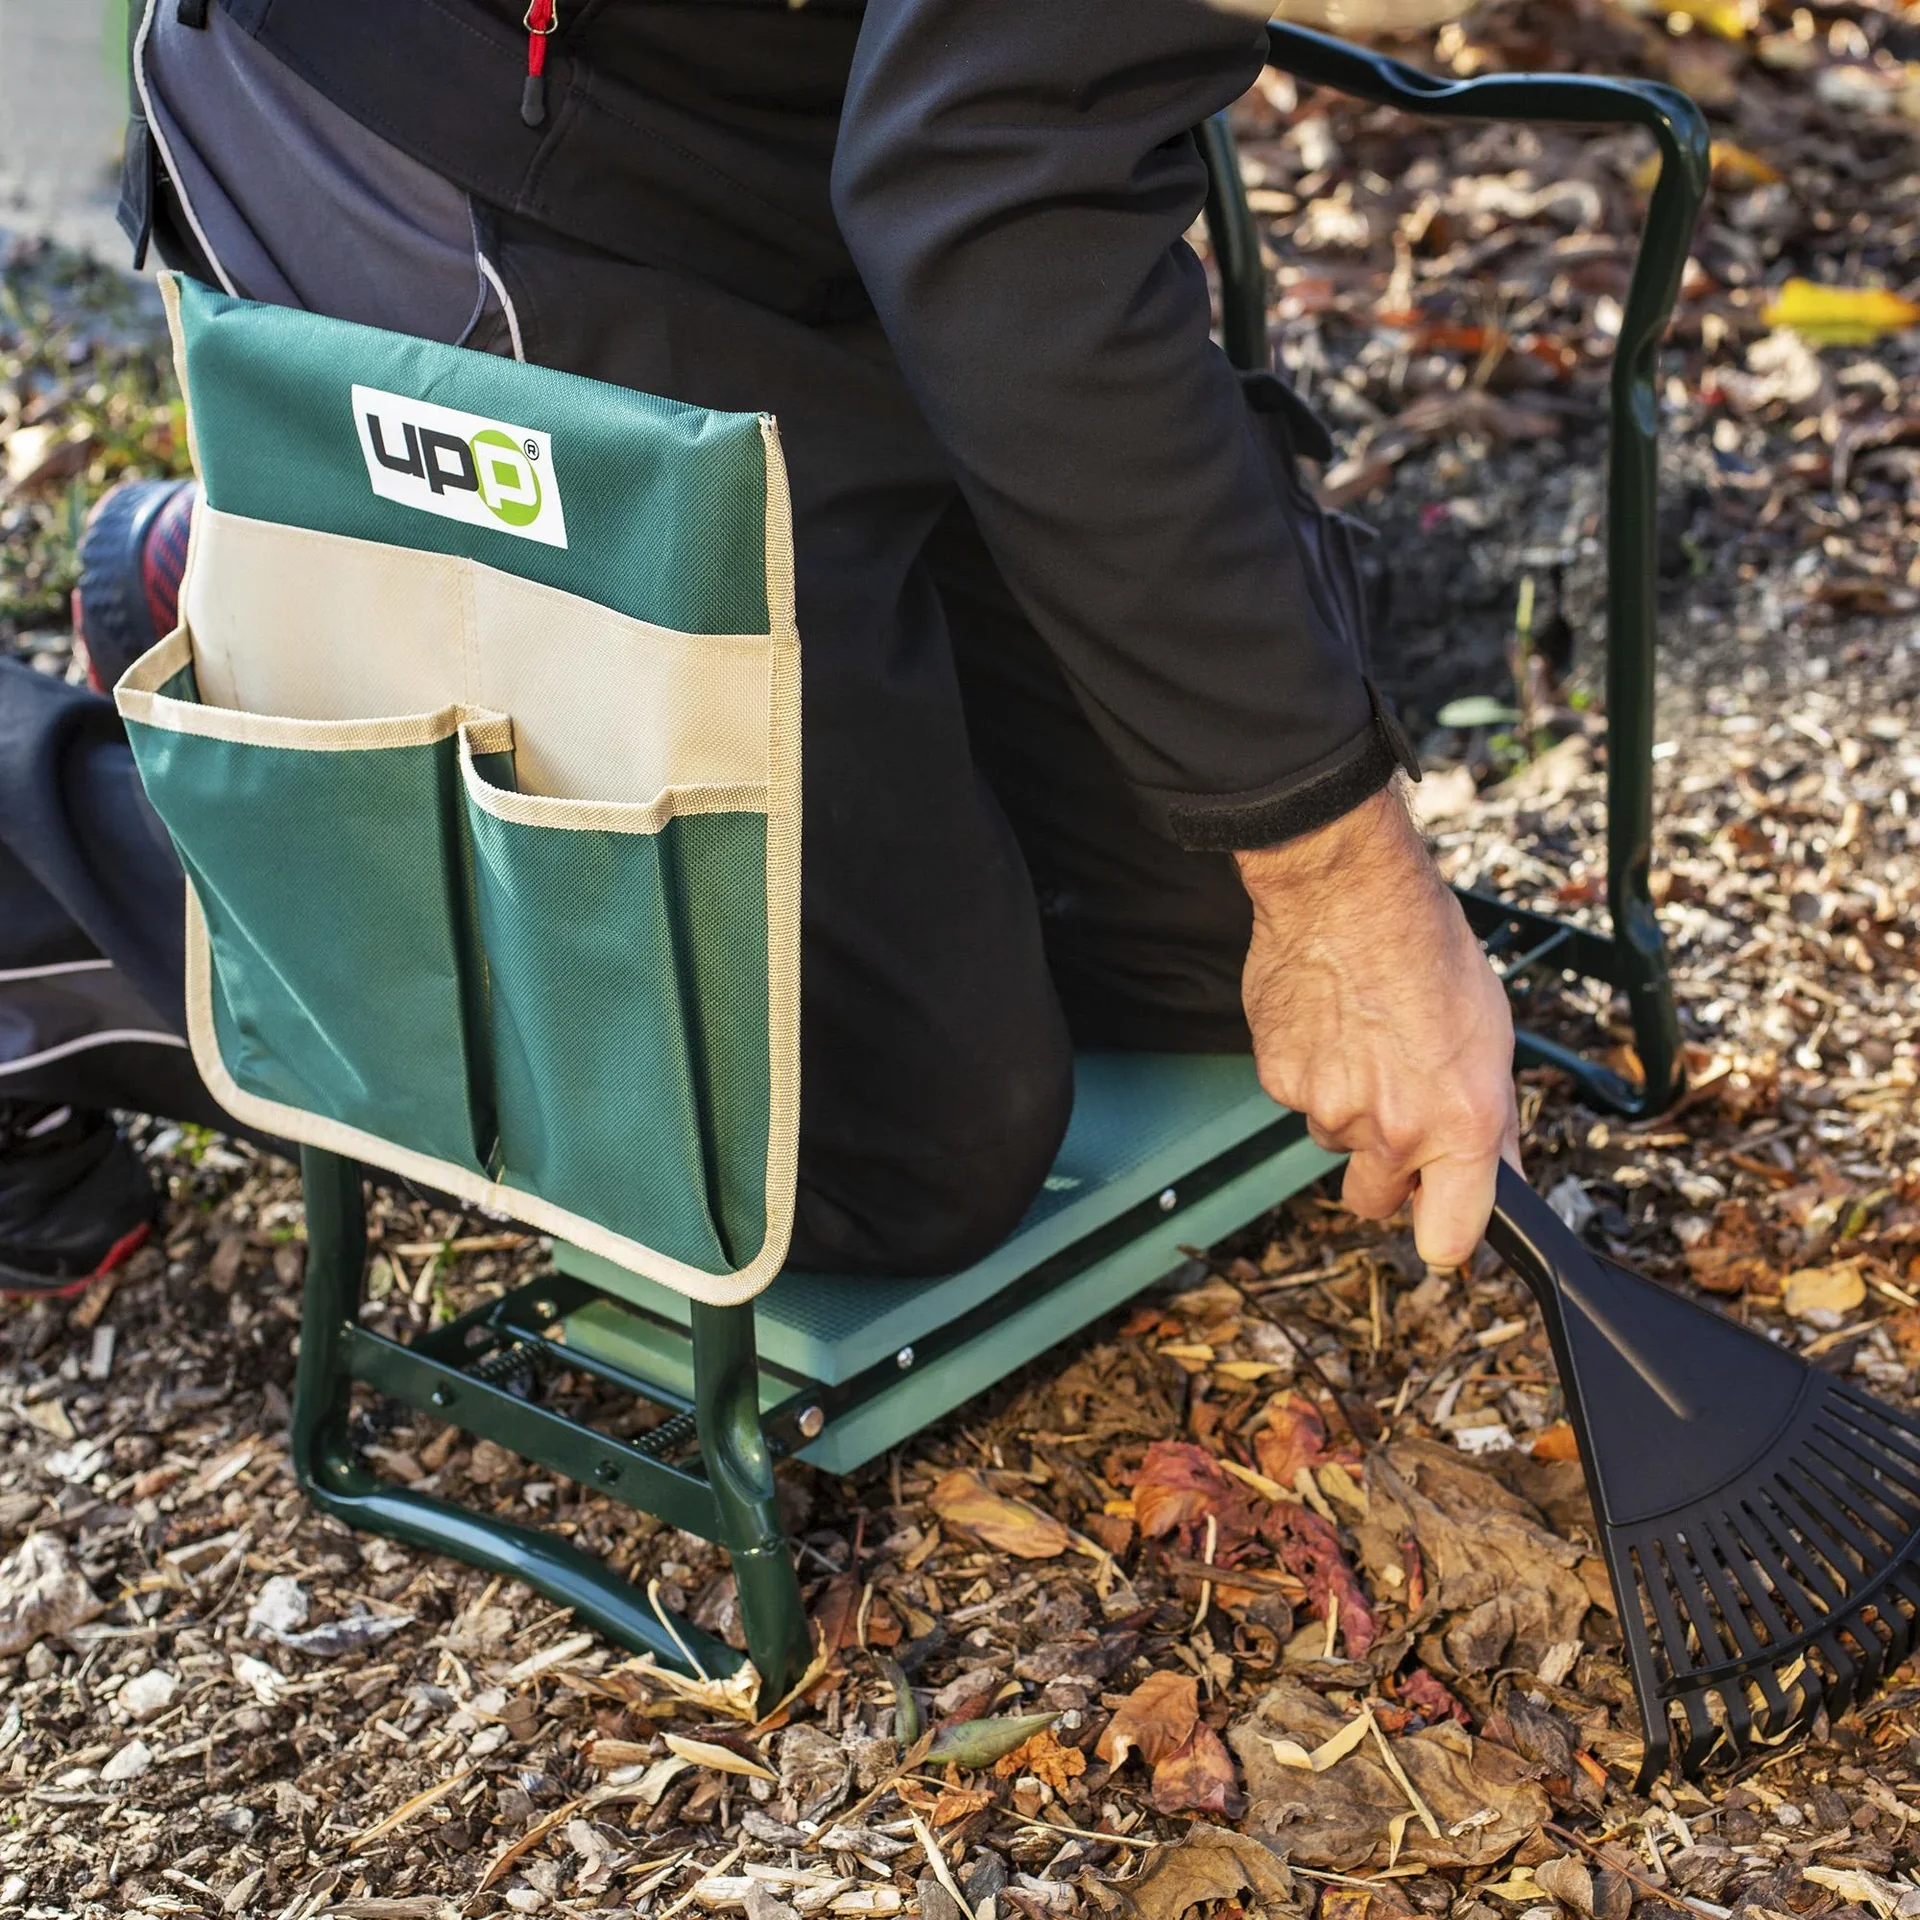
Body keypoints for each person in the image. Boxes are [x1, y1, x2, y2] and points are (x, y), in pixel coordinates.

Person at [0, 0, 1516, 1295]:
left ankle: (325, 595)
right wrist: (1340, 882)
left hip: (827, 113)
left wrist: (1304, 859)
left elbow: (1006, 139)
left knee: (1202, 946)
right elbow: (1002, 199)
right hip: (469, 104)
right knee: (857, 1132)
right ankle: (142, 793)